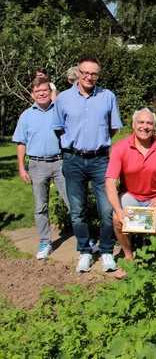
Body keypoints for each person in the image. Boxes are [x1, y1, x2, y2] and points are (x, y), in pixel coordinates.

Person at [52, 56, 123, 273]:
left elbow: (113, 127)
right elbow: (58, 127)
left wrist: (96, 141)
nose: (89, 77)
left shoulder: (107, 96)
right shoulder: (63, 99)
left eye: (94, 73)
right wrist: (75, 144)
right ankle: (84, 250)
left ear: (98, 75)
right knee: (77, 210)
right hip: (73, 159)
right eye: (85, 72)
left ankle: (107, 252)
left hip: (100, 159)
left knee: (106, 208)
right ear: (78, 72)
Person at [105, 108, 156, 265]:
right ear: (133, 125)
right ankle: (128, 256)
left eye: (149, 123)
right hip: (131, 195)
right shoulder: (121, 147)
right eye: (141, 122)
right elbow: (110, 181)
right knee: (117, 221)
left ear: (154, 126)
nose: (145, 126)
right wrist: (119, 210)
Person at [12, 76, 69, 259]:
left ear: (50, 92)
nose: (42, 94)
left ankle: (85, 240)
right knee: (40, 206)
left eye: (45, 90)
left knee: (72, 202)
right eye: (38, 91)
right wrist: (22, 167)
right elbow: (21, 142)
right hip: (37, 165)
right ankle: (45, 242)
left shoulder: (59, 111)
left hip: (60, 162)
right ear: (32, 95)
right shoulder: (26, 115)